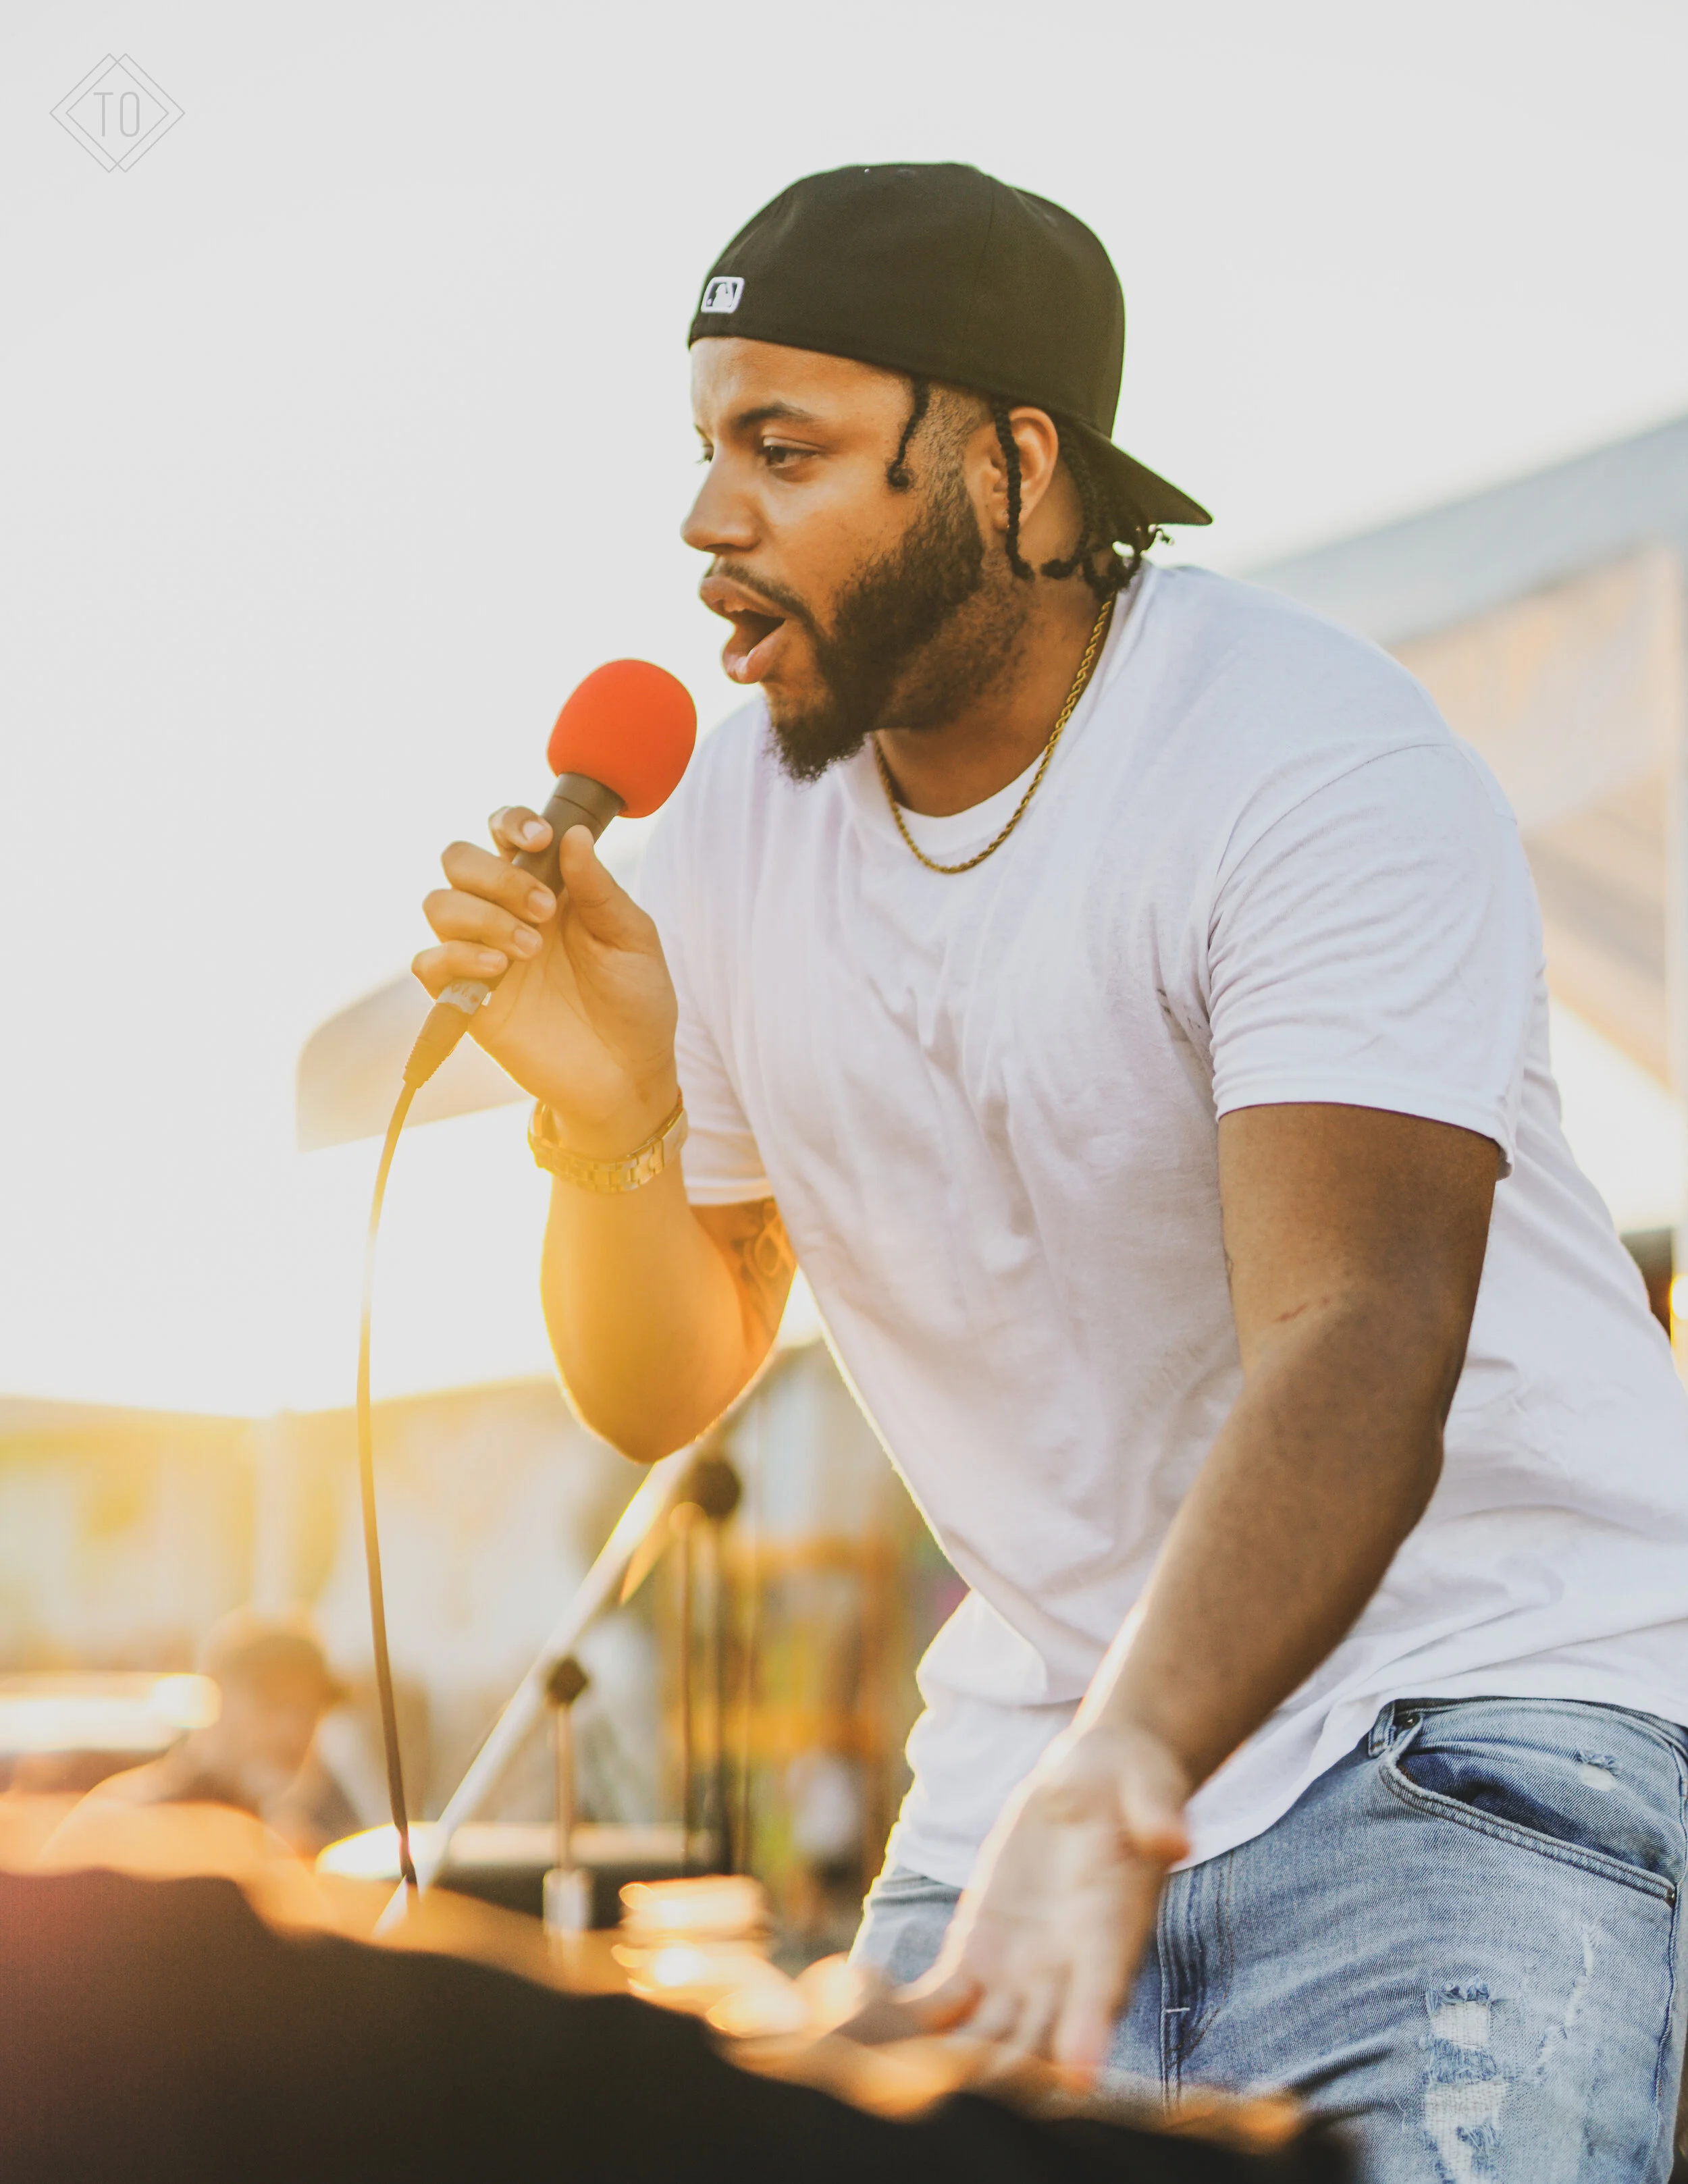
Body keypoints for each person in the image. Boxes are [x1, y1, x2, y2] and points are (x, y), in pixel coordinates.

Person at [413, 163, 1688, 2179]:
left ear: (1015, 469)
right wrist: (605, 1124)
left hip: (1457, 1705)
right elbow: (670, 1377)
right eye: (698, 449)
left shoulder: (1301, 755)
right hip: (1041, 1740)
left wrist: (1125, 1775)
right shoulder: (739, 825)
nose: (704, 521)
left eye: (782, 447)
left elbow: (1358, 1324)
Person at [55, 1608, 347, 1844]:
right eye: (272, 1700)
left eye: (308, 1709)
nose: (293, 1729)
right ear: (216, 1690)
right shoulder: (129, 1821)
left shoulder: (283, 1847)